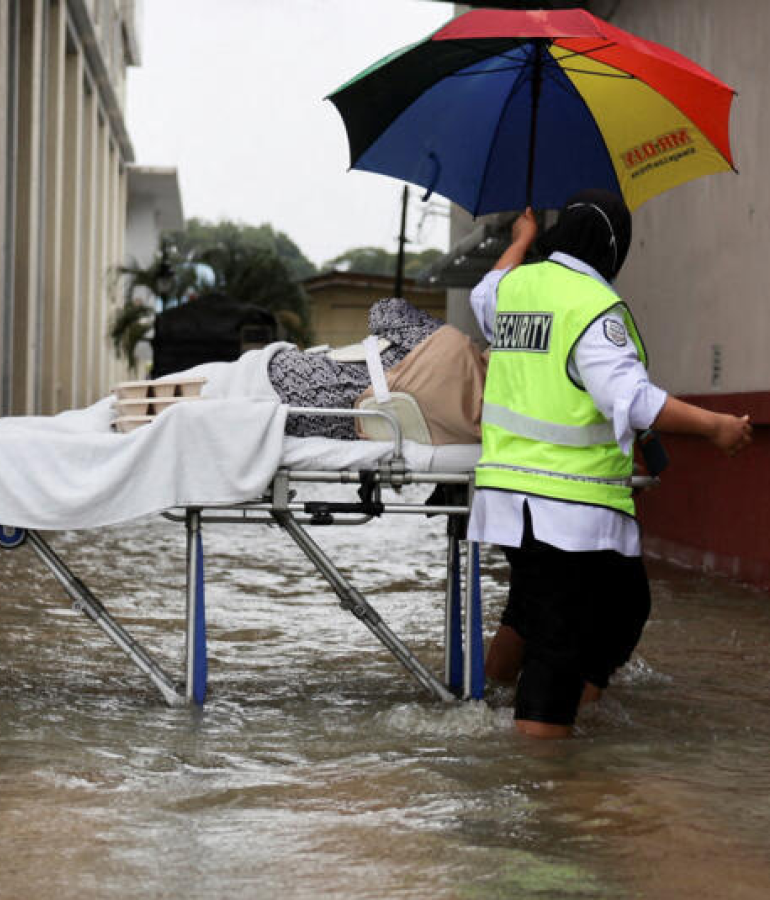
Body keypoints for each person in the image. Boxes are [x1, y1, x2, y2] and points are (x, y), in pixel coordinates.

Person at [470, 189, 752, 739]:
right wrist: (716, 427)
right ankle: (537, 783)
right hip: (565, 504)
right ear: (612, 246)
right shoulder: (592, 306)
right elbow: (632, 397)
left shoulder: (515, 285)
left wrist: (521, 244)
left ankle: (488, 706)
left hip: (510, 496)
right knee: (559, 636)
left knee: (602, 601)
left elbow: (483, 295)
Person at [267, 297, 444, 438]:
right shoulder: (445, 412)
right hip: (295, 409)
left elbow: (385, 308)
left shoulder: (439, 340)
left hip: (285, 384)